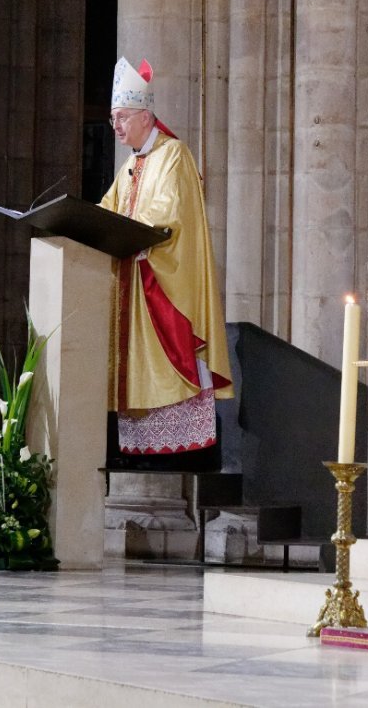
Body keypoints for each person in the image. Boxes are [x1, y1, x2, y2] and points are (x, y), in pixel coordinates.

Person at [99, 57, 233, 461]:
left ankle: (183, 447)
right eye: (112, 120)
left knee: (172, 353)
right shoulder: (131, 164)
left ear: (144, 116)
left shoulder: (173, 154)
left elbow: (167, 214)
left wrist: (123, 226)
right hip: (131, 281)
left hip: (160, 280)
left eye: (121, 118)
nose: (116, 127)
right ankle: (138, 445)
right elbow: (107, 208)